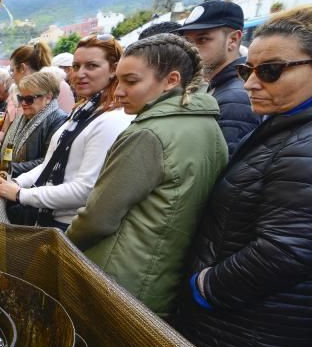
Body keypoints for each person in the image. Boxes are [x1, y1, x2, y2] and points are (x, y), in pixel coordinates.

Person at [177, 5, 312, 347]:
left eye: (270, 70)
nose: (252, 82)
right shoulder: (280, 126)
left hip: (255, 338)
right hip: (241, 330)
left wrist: (206, 287)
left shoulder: (302, 143)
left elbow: (288, 249)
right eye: (247, 71)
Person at [66, 34, 227, 319]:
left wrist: (64, 244)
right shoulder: (209, 128)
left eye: (131, 82)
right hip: (161, 277)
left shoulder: (147, 133)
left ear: (171, 80)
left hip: (118, 275)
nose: (118, 92)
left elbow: (98, 216)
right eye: (118, 81)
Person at [0, 38, 132, 230]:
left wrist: (20, 194)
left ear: (113, 69)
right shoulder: (81, 112)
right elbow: (49, 164)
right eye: (76, 66)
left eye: (91, 66)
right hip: (47, 219)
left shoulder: (112, 119)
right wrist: (17, 181)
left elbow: (86, 190)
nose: (80, 74)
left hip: (68, 226)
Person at [177, 0, 260, 154]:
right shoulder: (219, 85)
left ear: (233, 40)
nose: (192, 49)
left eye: (202, 40)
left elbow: (222, 167)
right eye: (188, 41)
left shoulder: (236, 98)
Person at [0, 72, 67, 178]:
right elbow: (7, 150)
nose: (23, 103)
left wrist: (2, 168)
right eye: (21, 98)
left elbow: (47, 162)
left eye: (29, 99)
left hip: (31, 189)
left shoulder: (59, 119)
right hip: (11, 184)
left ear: (48, 97)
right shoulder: (23, 116)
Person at [0, 40, 74, 153]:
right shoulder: (16, 92)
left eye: (12, 70)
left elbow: (61, 134)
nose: (12, 76)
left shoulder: (58, 87)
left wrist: (7, 157)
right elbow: (5, 131)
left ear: (23, 68)